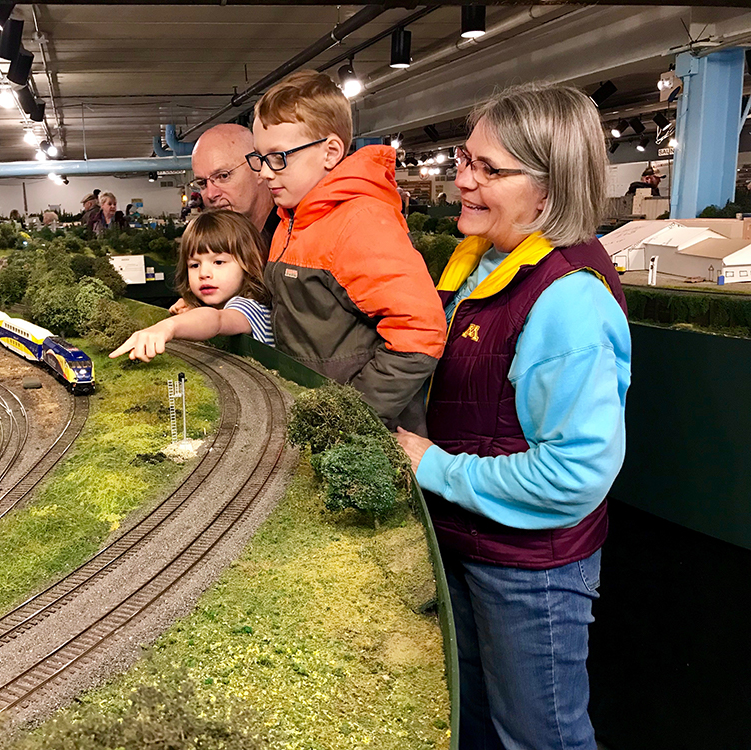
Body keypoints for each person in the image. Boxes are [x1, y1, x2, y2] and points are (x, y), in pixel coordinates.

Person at [394, 82, 631, 750]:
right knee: (475, 722)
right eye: (464, 160)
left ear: (547, 191)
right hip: (471, 546)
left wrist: (430, 464)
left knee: (540, 736)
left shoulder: (568, 300)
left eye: (487, 169)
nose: (462, 180)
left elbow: (573, 475)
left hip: (532, 570)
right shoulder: (483, 262)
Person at [250, 69, 446, 433]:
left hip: (362, 432)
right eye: (259, 157)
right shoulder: (291, 220)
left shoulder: (361, 222)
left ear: (331, 151)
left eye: (278, 157)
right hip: (317, 411)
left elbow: (420, 331)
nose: (263, 172)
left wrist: (353, 415)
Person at [109, 211, 272, 361]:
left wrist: (169, 327)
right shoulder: (220, 304)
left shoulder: (250, 308)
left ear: (249, 264)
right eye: (194, 265)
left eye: (219, 262)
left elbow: (217, 321)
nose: (204, 273)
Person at [190, 123, 278, 250]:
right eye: (203, 183)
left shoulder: (297, 239)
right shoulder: (217, 249)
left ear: (258, 168)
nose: (211, 194)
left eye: (223, 176)